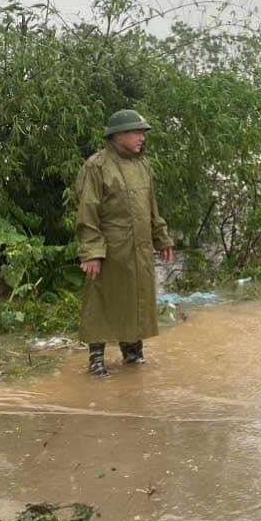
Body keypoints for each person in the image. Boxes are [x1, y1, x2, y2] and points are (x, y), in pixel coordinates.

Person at [75, 109, 173, 375]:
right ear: (119, 135)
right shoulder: (96, 166)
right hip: (111, 249)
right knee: (102, 301)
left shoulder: (143, 165)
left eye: (143, 133)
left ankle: (133, 354)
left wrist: (161, 237)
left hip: (139, 247)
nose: (142, 137)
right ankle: (96, 359)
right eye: (137, 132)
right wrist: (92, 252)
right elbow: (87, 211)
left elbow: (151, 207)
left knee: (137, 298)